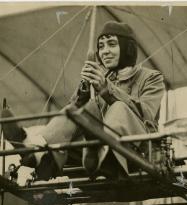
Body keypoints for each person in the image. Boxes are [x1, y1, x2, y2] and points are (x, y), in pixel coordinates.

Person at [2, 21, 165, 180]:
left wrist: (107, 90)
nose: (105, 51)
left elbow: (147, 114)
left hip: (137, 151)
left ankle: (106, 156)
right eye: (101, 46)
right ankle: (40, 154)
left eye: (111, 44)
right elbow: (73, 116)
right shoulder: (103, 78)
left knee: (119, 107)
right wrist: (83, 93)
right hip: (93, 153)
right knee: (74, 111)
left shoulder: (151, 77)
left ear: (128, 48)